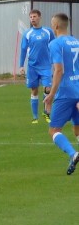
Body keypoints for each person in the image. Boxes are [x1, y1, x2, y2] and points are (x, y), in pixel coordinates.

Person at [42, 13, 79, 175]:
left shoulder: (55, 44)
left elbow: (59, 70)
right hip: (78, 89)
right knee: (77, 129)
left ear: (56, 26)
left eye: (52, 24)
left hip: (65, 93)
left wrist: (51, 95)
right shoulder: (76, 41)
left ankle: (73, 154)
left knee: (54, 130)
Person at [18, 9, 55, 124]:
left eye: (34, 16)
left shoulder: (48, 32)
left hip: (46, 66)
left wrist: (55, 60)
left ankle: (46, 112)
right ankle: (35, 117)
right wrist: (21, 66)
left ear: (39, 17)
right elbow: (23, 50)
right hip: (32, 67)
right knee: (34, 90)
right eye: (31, 17)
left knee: (48, 89)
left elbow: (54, 46)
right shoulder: (27, 34)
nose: (32, 19)